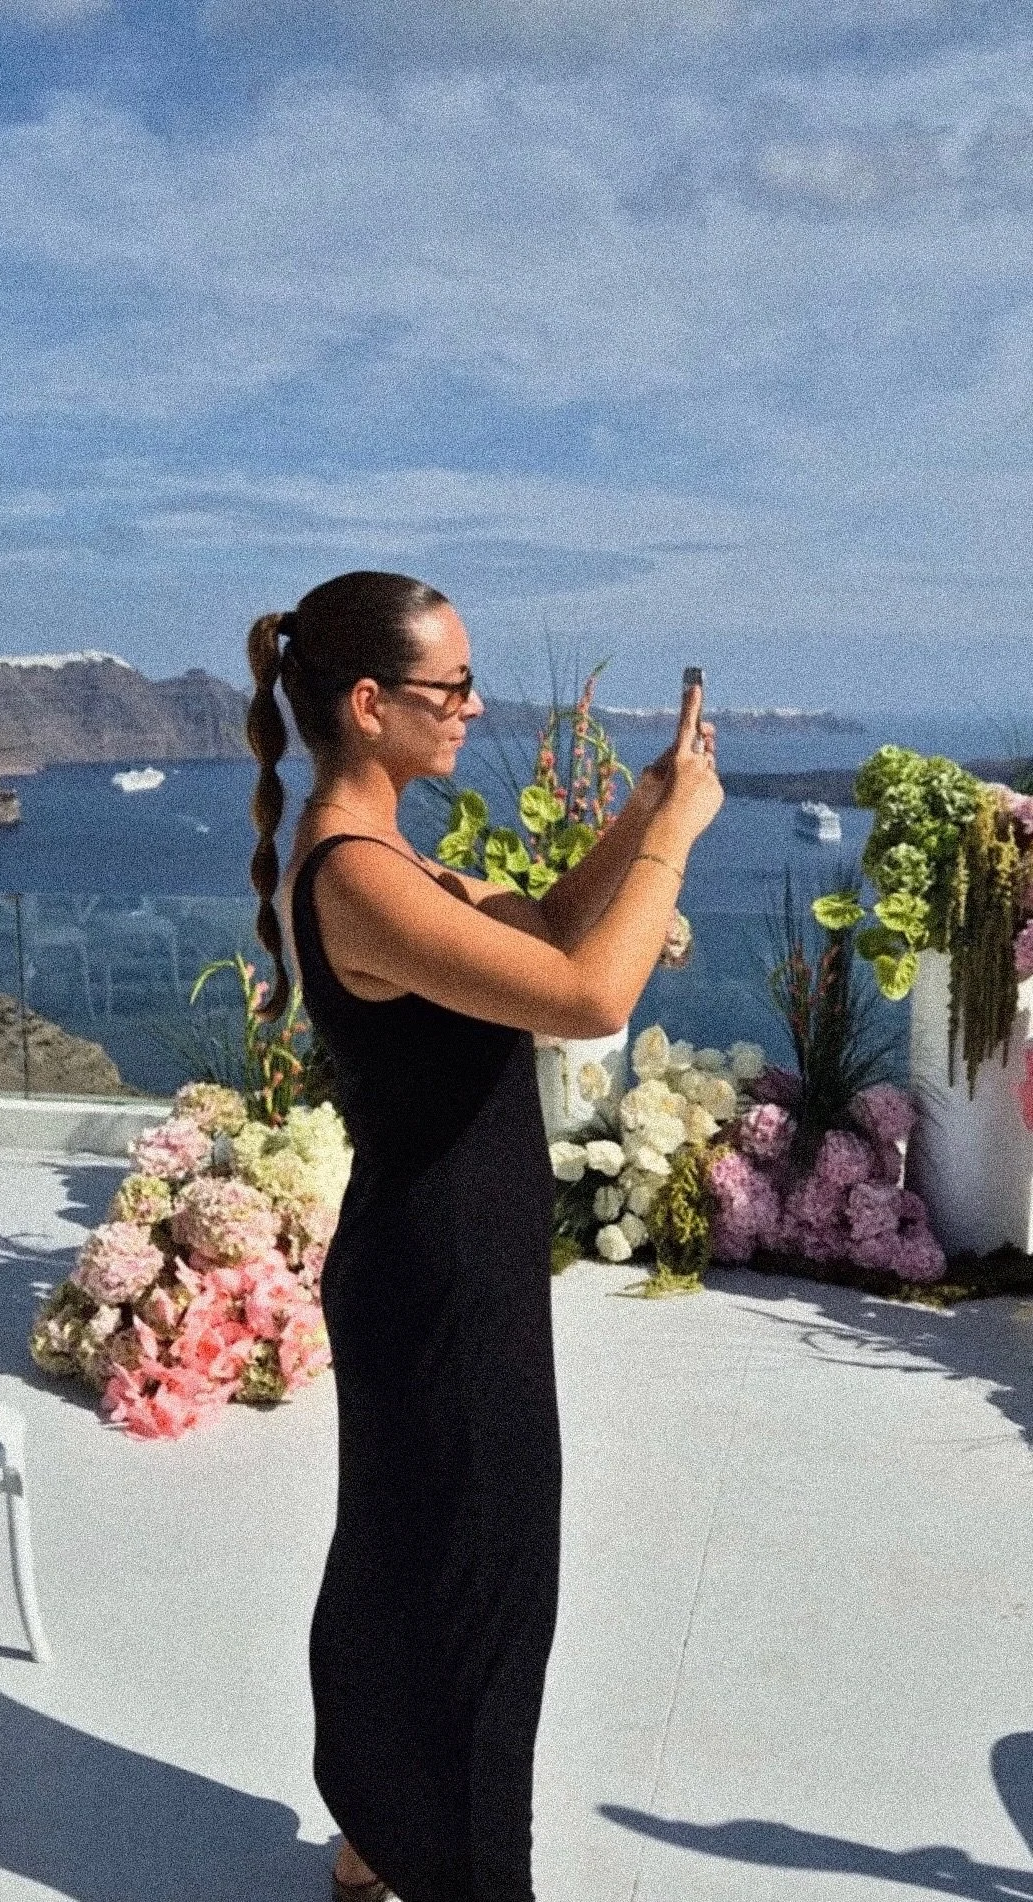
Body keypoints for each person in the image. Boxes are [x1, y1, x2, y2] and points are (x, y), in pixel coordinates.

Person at [244, 570, 721, 1902]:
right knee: (478, 1591)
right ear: (367, 703)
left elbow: (553, 928)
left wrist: (641, 810)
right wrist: (680, 840)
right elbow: (588, 994)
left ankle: (373, 1839)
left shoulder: (387, 858)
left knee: (411, 1563)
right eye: (449, 686)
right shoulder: (357, 878)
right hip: (437, 1283)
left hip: (448, 1267)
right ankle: (457, 1868)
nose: (472, 706)